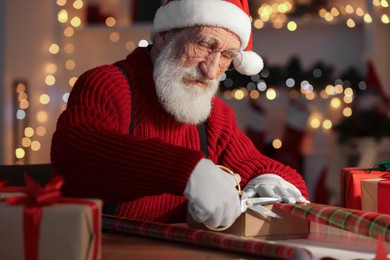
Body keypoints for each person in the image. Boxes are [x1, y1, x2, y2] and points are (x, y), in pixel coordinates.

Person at [51, 0, 309, 228]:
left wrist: (269, 180)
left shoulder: (214, 115)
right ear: (163, 36)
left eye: (227, 56)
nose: (211, 71)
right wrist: (187, 171)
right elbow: (74, 152)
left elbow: (265, 166)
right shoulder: (107, 84)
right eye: (206, 44)